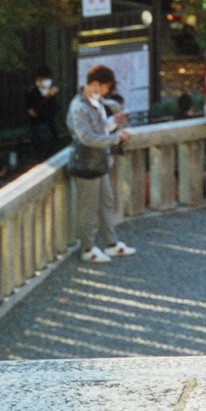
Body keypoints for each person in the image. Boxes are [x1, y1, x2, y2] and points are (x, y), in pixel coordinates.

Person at [66, 65, 137, 263]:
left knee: (106, 203)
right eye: (105, 88)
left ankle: (111, 243)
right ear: (95, 85)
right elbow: (87, 137)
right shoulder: (79, 107)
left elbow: (100, 129)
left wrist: (115, 121)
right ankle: (88, 248)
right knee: (88, 209)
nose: (106, 92)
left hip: (99, 162)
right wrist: (116, 138)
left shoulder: (94, 103)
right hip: (85, 163)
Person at [25, 68, 61, 161]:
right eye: (45, 79)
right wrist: (47, 96)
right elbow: (34, 111)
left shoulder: (49, 91)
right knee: (43, 154)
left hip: (50, 125)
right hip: (39, 127)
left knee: (53, 151)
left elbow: (55, 107)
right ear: (38, 79)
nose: (47, 81)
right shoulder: (31, 92)